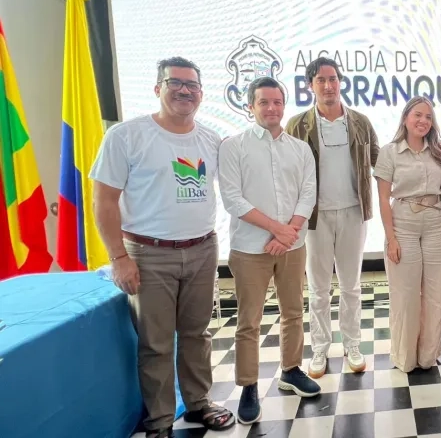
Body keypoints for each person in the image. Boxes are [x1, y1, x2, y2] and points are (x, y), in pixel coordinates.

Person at [90, 57, 234, 438]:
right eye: (176, 83)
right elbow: (103, 201)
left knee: (197, 333)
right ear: (158, 89)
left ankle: (199, 403)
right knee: (155, 343)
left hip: (203, 249)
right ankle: (159, 422)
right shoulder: (126, 136)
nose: (185, 90)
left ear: (201, 95)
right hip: (148, 253)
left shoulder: (209, 139)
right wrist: (119, 257)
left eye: (192, 85)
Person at [218, 77, 321, 424]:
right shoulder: (234, 146)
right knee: (249, 320)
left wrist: (288, 233)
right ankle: (248, 385)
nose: (272, 108)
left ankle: (291, 369)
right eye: (264, 102)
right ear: (250, 106)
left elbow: (308, 193)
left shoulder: (300, 148)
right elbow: (233, 199)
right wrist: (276, 229)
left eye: (277, 102)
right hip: (250, 247)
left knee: (293, 311)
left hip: (292, 245)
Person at [286, 57, 379, 378]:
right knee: (319, 288)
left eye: (333, 79)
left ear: (341, 82)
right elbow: (287, 171)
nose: (328, 86)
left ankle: (353, 345)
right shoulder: (297, 125)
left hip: (354, 212)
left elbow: (379, 162)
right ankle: (320, 350)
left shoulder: (360, 122)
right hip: (315, 218)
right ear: (310, 86)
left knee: (351, 286)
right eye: (321, 80)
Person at [374, 96, 441, 373]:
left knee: (436, 293)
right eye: (417, 115)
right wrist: (391, 238)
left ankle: (427, 356)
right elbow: (383, 199)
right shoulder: (390, 151)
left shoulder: (439, 150)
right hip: (403, 223)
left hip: (436, 224)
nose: (423, 121)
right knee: (405, 295)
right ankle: (404, 357)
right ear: (405, 118)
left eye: (428, 117)